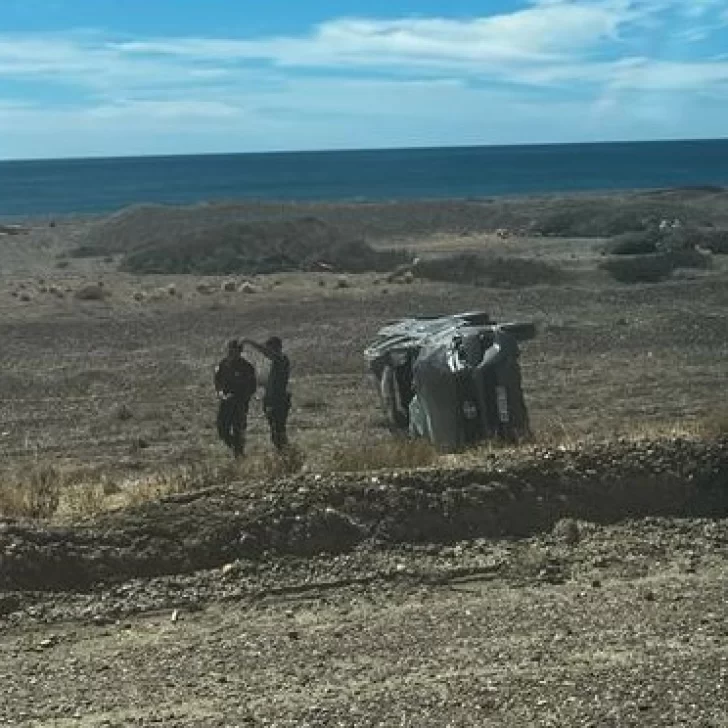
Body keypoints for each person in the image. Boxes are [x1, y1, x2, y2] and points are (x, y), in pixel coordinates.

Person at [242, 336, 291, 450]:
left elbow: (268, 353)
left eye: (270, 348)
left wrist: (250, 342)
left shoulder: (282, 359)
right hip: (271, 400)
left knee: (278, 431)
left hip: (279, 401)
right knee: (274, 431)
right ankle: (284, 454)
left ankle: (286, 454)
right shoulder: (275, 364)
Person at [213, 339, 257, 457]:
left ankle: (239, 453)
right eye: (230, 350)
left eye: (235, 350)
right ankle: (236, 447)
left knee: (238, 430)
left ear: (240, 351)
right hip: (226, 402)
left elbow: (252, 387)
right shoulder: (223, 364)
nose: (232, 353)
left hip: (240, 403)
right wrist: (222, 394)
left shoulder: (247, 367)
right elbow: (218, 383)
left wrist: (241, 398)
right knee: (222, 430)